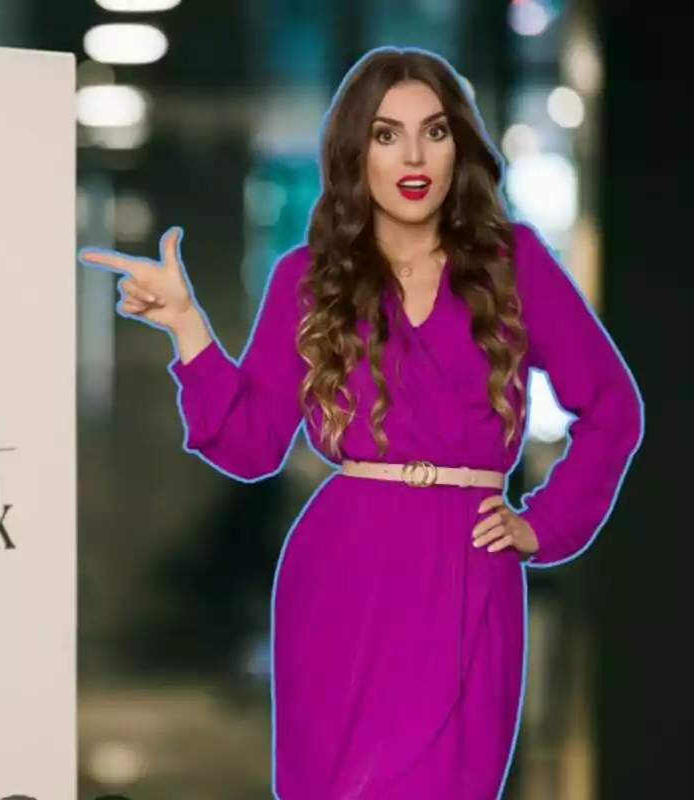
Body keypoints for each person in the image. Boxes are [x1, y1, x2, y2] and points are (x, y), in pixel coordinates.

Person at [78, 47, 643, 799]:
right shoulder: (307, 278)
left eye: (434, 132)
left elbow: (613, 408)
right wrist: (187, 328)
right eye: (386, 135)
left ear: (458, 147)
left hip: (468, 571)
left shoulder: (515, 265)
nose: (413, 156)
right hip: (339, 572)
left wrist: (548, 524)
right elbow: (251, 444)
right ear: (355, 153)